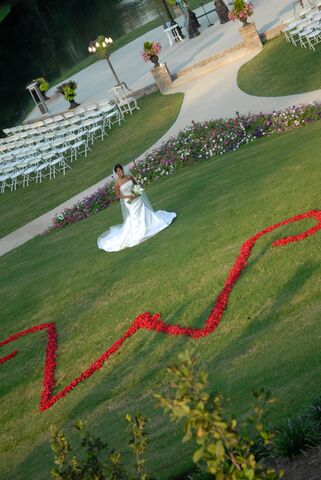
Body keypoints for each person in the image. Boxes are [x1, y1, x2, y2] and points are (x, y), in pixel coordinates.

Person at [97, 164, 176, 252]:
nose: (121, 172)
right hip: (129, 202)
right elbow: (118, 196)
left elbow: (137, 186)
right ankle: (137, 232)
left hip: (137, 199)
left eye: (121, 170)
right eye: (118, 171)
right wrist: (128, 196)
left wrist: (136, 193)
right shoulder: (117, 184)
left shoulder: (130, 177)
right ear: (116, 173)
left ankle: (149, 225)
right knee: (134, 216)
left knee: (143, 211)